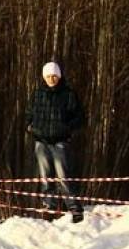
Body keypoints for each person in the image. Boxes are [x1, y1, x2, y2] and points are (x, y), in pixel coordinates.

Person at [26, 61, 86, 222]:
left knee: (63, 175)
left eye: (54, 76)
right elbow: (28, 113)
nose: (51, 79)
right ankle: (49, 207)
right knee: (45, 176)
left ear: (59, 76)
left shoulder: (68, 94)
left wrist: (67, 128)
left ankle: (74, 208)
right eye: (48, 76)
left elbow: (80, 117)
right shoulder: (37, 93)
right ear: (44, 77)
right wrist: (30, 127)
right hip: (41, 140)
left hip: (60, 141)